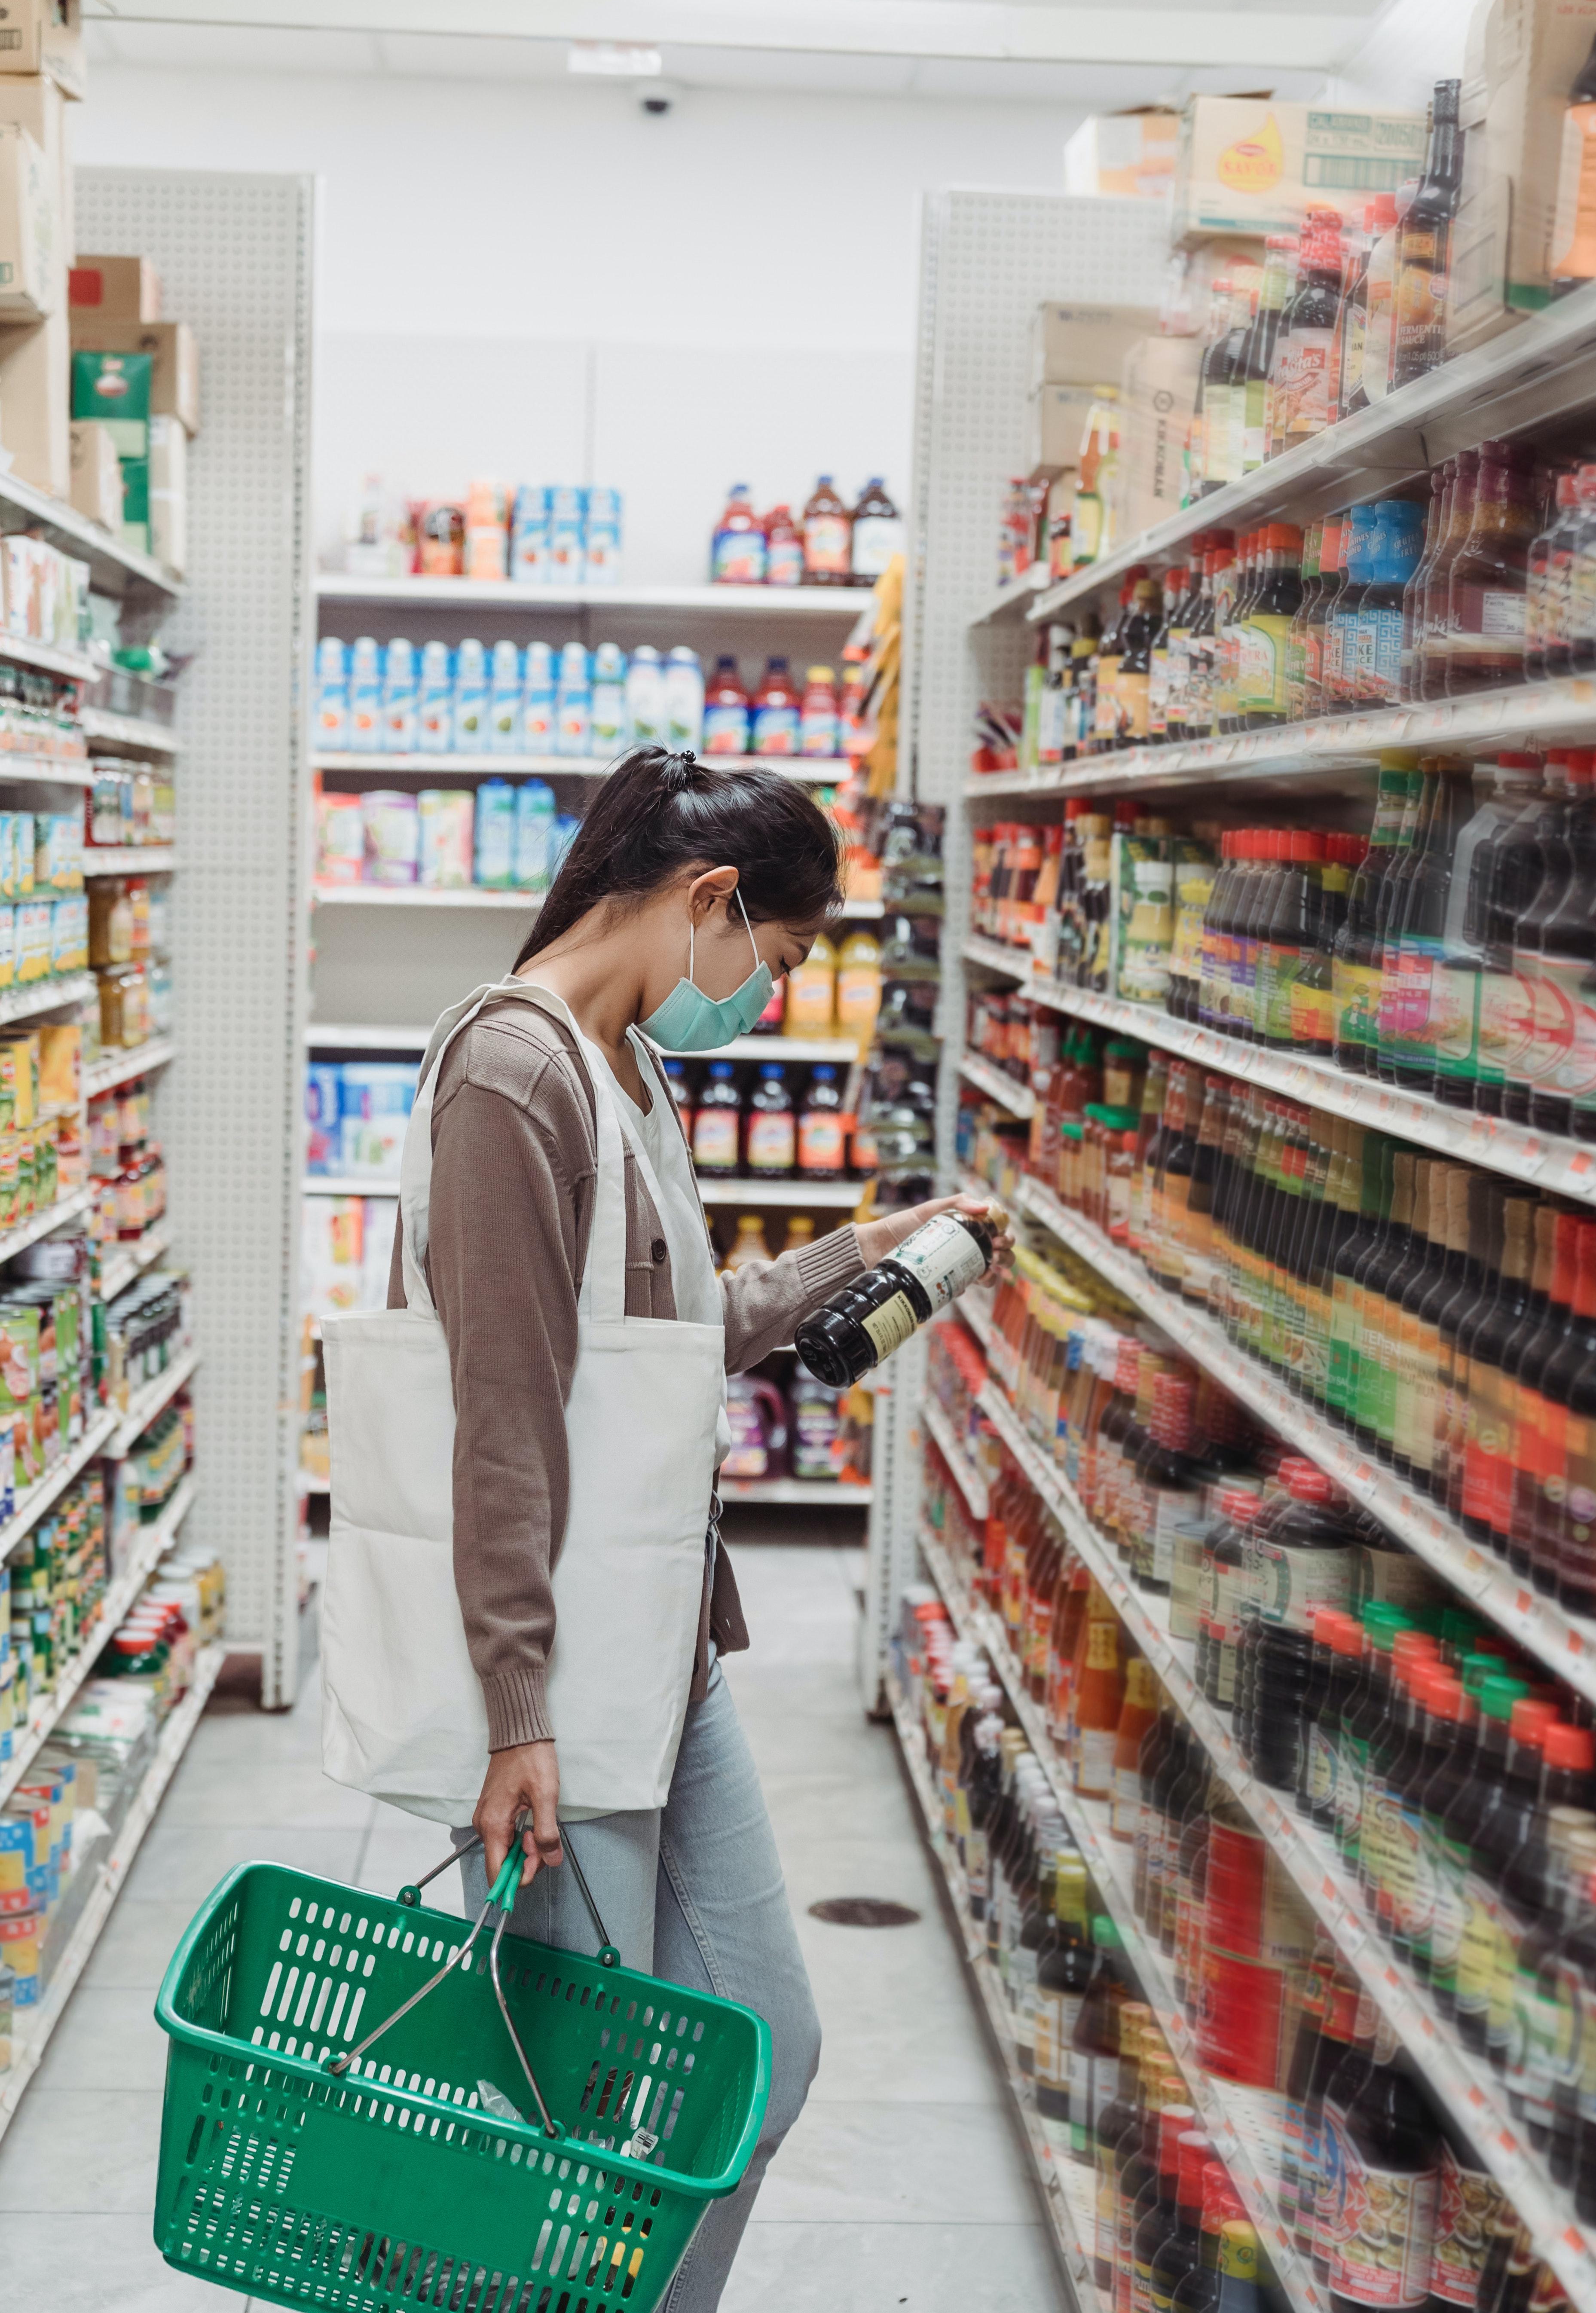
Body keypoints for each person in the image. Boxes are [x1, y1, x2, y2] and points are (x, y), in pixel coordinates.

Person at [392, 744, 1009, 2311]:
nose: (771, 997)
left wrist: (877, 1244)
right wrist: (516, 1710)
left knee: (761, 2047)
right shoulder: (512, 1076)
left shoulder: (623, 1066)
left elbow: (686, 1325)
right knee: (579, 2111)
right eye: (781, 959)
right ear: (709, 900)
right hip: (560, 1687)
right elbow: (504, 1423)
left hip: (664, 1654)